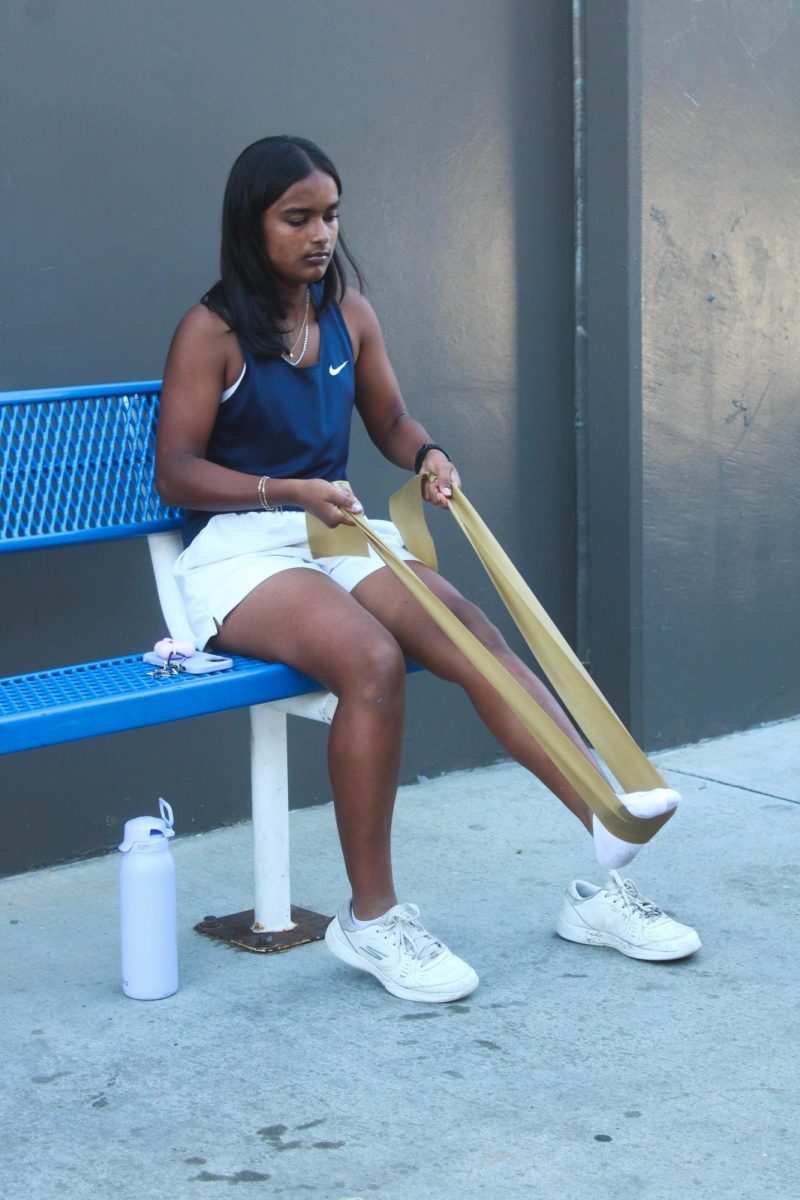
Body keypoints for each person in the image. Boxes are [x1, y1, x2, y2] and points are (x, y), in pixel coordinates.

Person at [156, 135, 700, 1004]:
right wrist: (282, 489)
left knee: (469, 631)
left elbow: (392, 419)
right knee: (370, 662)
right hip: (241, 550)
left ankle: (607, 830)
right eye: (297, 218)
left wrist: (429, 457)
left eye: (330, 214)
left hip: (333, 530)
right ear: (250, 225)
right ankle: (372, 922)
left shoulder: (349, 315)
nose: (321, 234)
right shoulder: (211, 331)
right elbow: (176, 470)